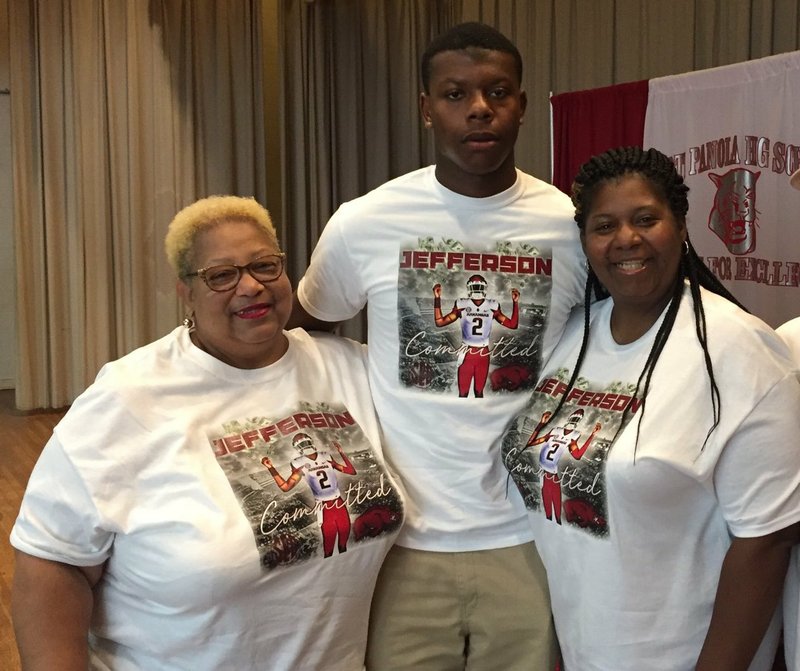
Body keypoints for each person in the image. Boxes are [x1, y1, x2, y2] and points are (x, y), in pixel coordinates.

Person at [288, 21, 586, 670]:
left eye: (498, 92)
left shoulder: (569, 225)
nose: (479, 108)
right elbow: (306, 328)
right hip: (402, 541)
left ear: (522, 105)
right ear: (427, 109)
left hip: (530, 539)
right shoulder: (365, 222)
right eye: (455, 94)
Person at [10, 196, 405, 670]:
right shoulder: (128, 397)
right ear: (187, 292)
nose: (251, 286)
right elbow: (54, 562)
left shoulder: (348, 366)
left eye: (265, 265)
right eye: (222, 275)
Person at [501, 146, 800, 670]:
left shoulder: (740, 351)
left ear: (681, 226)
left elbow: (767, 542)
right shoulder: (574, 336)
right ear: (586, 241)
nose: (626, 239)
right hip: (585, 649)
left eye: (646, 219)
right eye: (604, 225)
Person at [432, 275, 520, 397]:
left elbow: (513, 325)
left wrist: (515, 303)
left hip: (482, 354)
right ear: (469, 288)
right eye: (475, 287)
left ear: (484, 288)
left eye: (479, 287)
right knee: (463, 393)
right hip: (467, 353)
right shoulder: (463, 304)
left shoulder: (491, 306)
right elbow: (440, 322)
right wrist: (437, 298)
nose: (477, 290)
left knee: (479, 392)